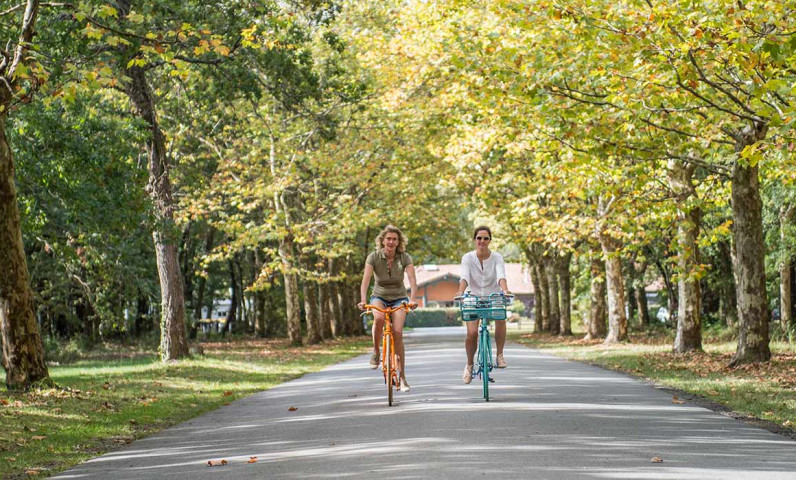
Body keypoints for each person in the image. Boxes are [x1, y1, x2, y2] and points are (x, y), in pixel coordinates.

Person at [357, 225, 418, 393]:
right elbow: (366, 280)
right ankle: (376, 351)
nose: (391, 242)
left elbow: (412, 279)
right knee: (378, 318)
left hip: (399, 297)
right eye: (388, 239)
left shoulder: (405, 257)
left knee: (398, 332)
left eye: (394, 239)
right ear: (382, 240)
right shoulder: (373, 257)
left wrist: (412, 299)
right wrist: (363, 300)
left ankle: (403, 377)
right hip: (379, 297)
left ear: (399, 242)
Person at [455, 226, 510, 384]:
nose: (482, 241)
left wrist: (505, 290)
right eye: (479, 238)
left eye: (486, 238)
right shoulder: (467, 258)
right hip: (473, 296)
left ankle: (499, 355)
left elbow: (501, 275)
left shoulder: (497, 257)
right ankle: (470, 365)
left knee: (501, 318)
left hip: (493, 295)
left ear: (490, 240)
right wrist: (460, 292)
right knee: (472, 334)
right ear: (474, 240)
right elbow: (464, 277)